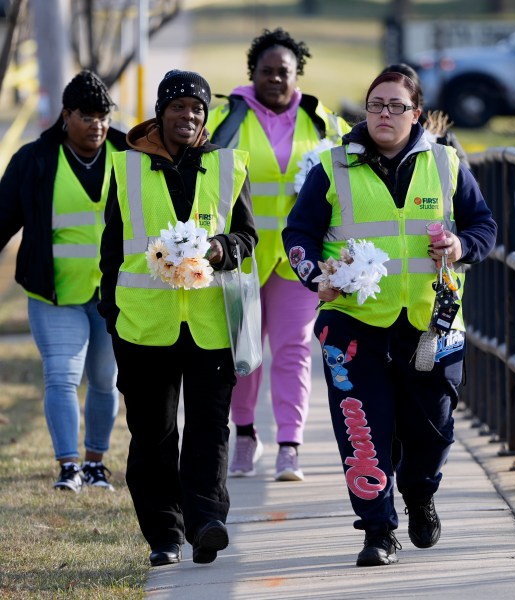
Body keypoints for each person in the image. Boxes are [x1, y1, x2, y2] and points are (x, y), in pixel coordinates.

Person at [282, 71, 497, 567]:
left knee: (433, 429)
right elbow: (299, 233)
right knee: (362, 425)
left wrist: (461, 245)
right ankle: (377, 529)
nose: (384, 114)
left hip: (431, 322)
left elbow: (483, 224)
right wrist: (315, 275)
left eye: (397, 106)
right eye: (376, 105)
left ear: (416, 114)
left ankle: (420, 494)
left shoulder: (445, 163)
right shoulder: (331, 167)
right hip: (352, 323)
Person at [98, 69, 257, 567]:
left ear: (205, 117)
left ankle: (207, 519)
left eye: (197, 108)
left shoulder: (229, 166)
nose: (188, 115)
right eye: (178, 107)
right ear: (161, 113)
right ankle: (164, 534)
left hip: (211, 326)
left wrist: (221, 247)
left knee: (210, 428)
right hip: (144, 327)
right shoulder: (125, 168)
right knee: (153, 434)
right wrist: (111, 313)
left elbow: (247, 238)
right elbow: (110, 250)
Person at [207, 27, 351, 481]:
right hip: (242, 258)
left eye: (283, 72)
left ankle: (290, 445)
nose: (274, 79)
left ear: (297, 74)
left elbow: (359, 159)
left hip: (298, 259)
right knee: (244, 353)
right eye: (265, 72)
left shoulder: (322, 122)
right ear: (252, 74)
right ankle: (246, 436)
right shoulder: (226, 120)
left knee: (293, 351)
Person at [0, 70, 126, 493]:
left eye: (104, 116)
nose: (98, 125)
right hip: (54, 294)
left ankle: (95, 462)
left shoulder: (128, 153)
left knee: (106, 382)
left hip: (115, 296)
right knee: (61, 377)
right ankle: (68, 466)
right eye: (87, 116)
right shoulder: (34, 160)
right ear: (66, 115)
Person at [380, 63, 470, 168]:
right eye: (377, 103)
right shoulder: (359, 144)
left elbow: (466, 181)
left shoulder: (443, 141)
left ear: (417, 110)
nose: (385, 113)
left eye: (397, 105)